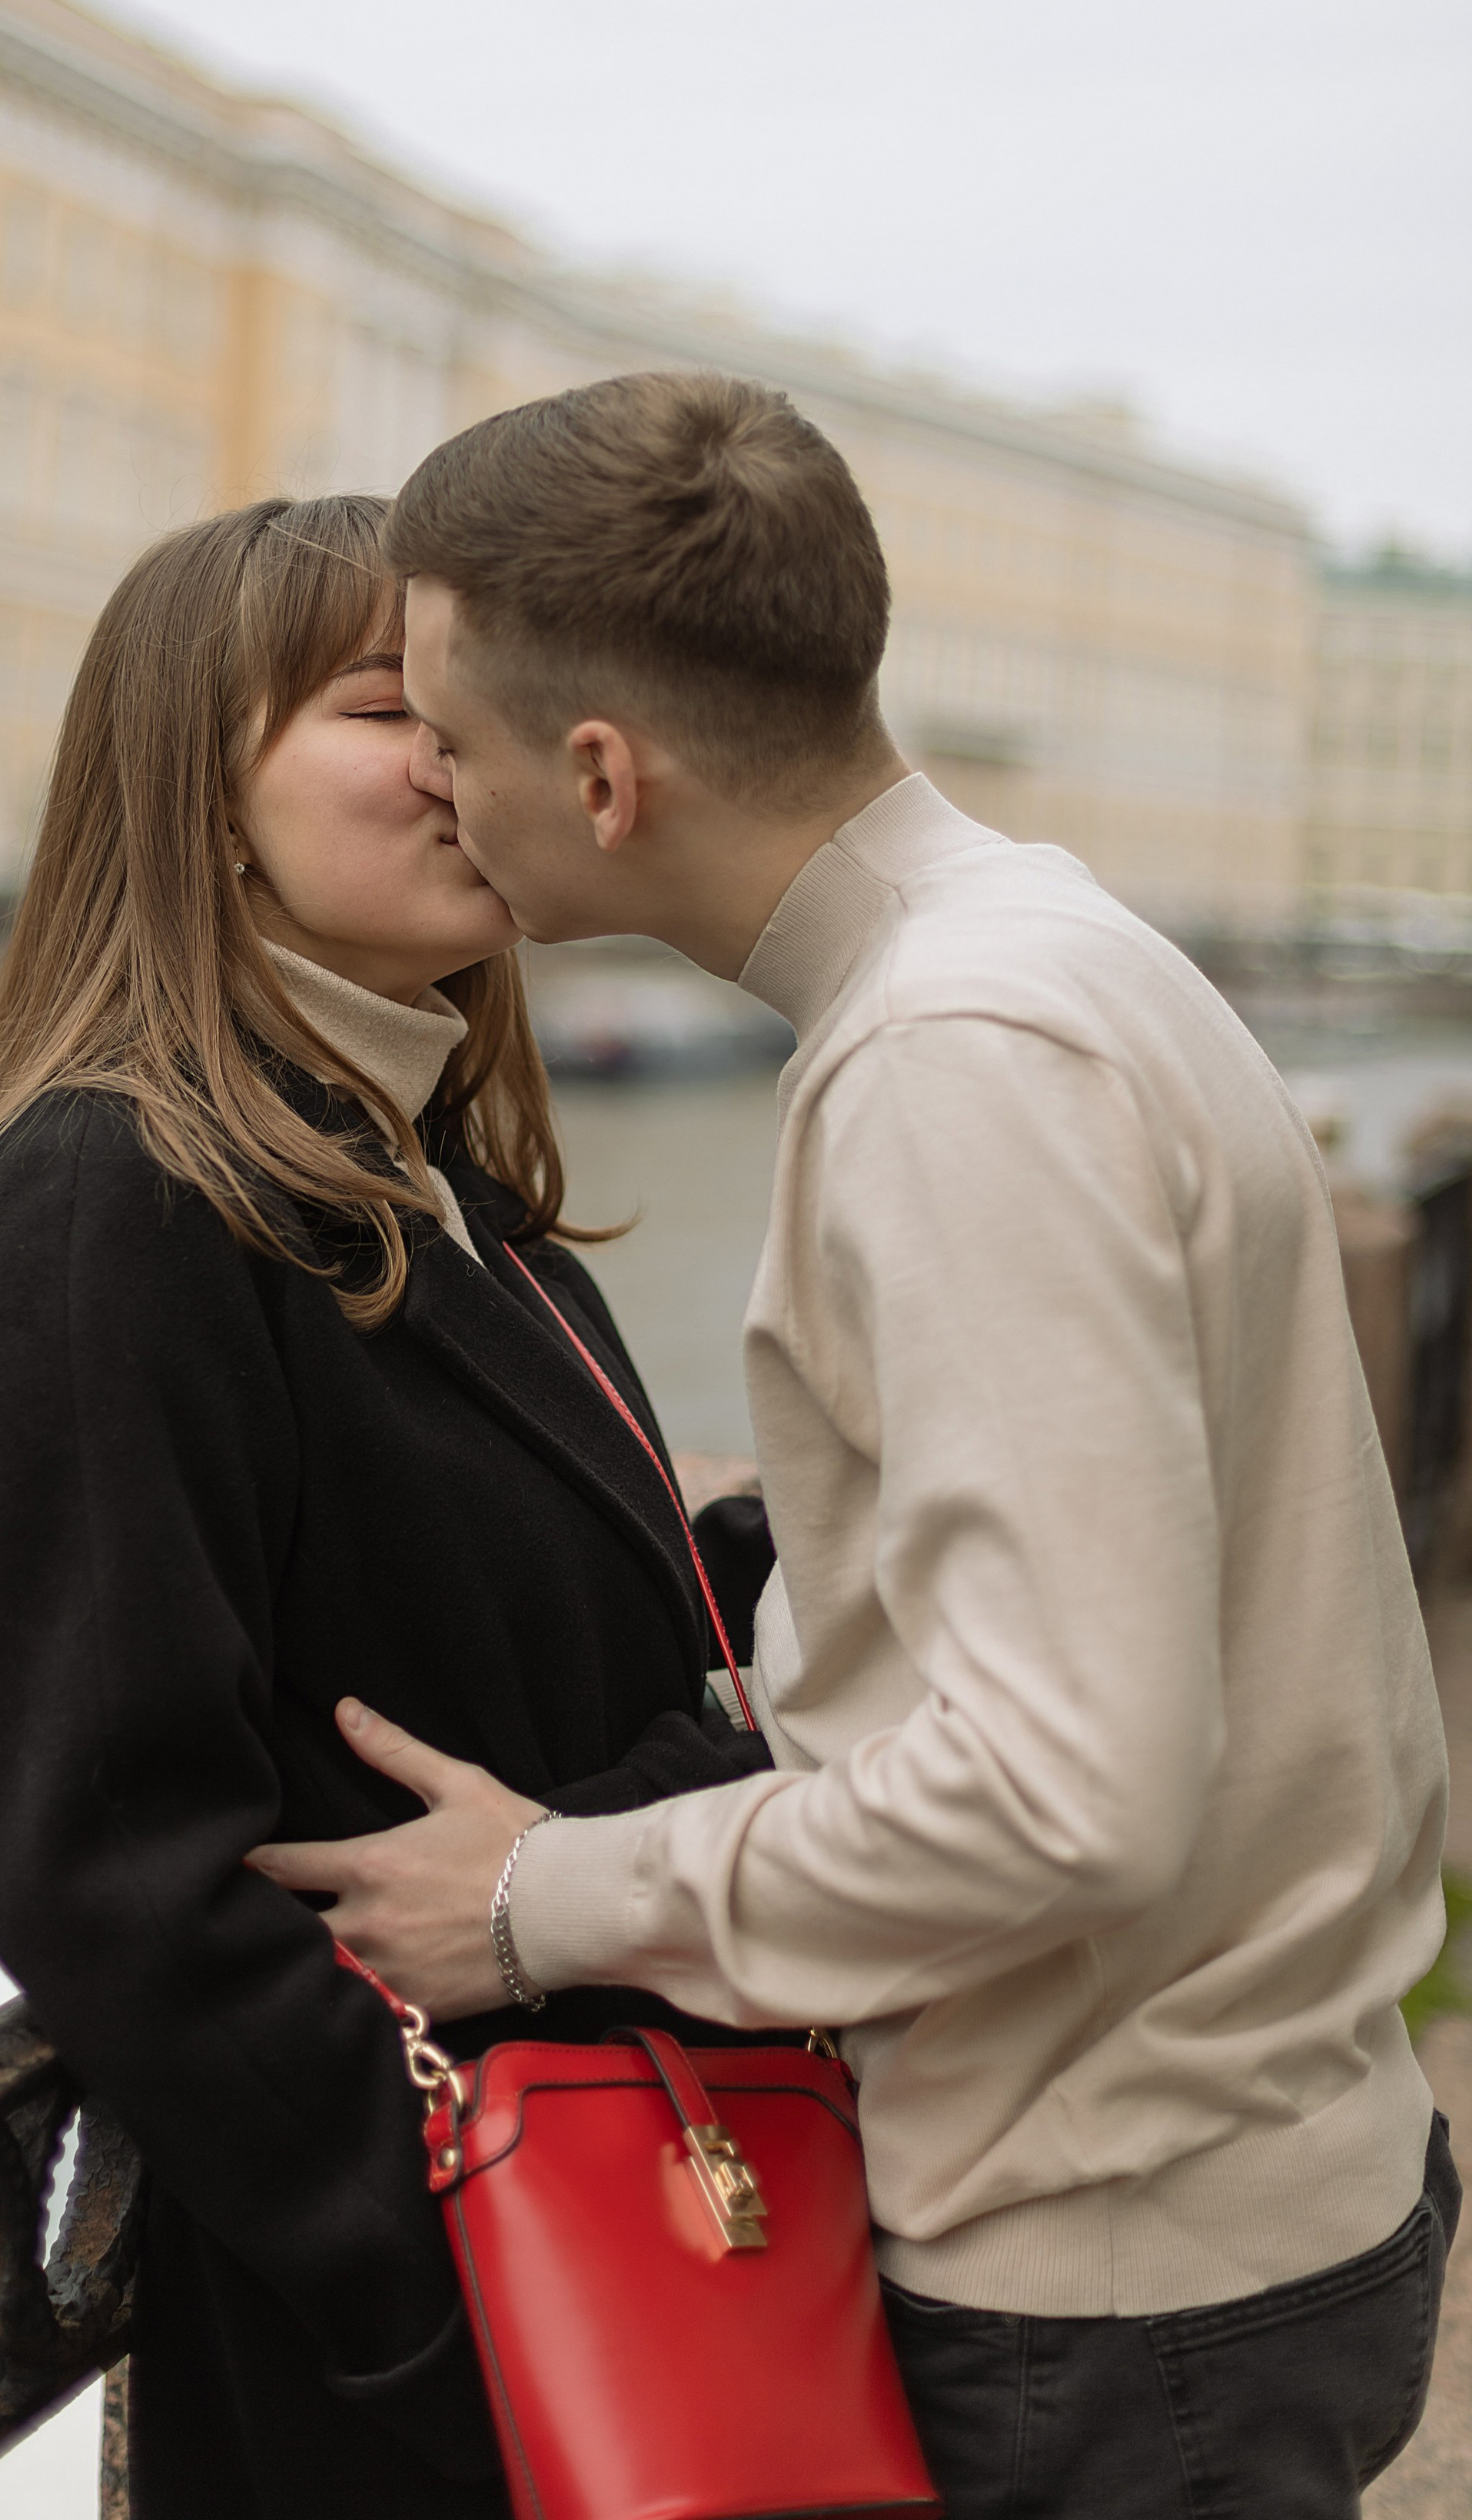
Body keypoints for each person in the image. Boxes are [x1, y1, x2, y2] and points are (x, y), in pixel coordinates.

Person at [248, 378, 1460, 2518]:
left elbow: (1062, 1792)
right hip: (1244, 2192)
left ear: (600, 777)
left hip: (1110, 2272)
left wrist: (538, 1899)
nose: (431, 778)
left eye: (447, 729)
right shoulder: (1056, 950)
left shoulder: (951, 1065)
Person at [0, 492, 769, 2520]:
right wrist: (435, 2278)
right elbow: (106, 1861)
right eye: (390, 708)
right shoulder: (112, 1200)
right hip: (446, 2350)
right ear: (200, 786)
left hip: (635, 2218)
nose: (468, 759)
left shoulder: (449, 1189)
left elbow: (537, 1651)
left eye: (481, 710)